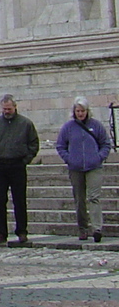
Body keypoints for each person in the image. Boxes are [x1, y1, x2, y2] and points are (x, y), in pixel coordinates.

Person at [0, 94, 39, 245]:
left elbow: (33, 144)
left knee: (19, 200)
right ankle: (0, 233)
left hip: (17, 165)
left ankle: (21, 231)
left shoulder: (25, 124)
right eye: (4, 109)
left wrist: (25, 160)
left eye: (9, 108)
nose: (7, 111)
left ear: (15, 107)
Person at [55, 97, 112, 241]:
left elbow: (105, 143)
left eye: (83, 111)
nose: (80, 113)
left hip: (94, 166)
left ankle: (97, 228)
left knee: (94, 197)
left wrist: (99, 157)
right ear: (74, 112)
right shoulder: (68, 127)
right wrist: (69, 158)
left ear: (87, 111)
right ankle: (83, 228)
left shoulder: (96, 126)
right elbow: (60, 145)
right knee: (79, 199)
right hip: (76, 167)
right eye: (78, 111)